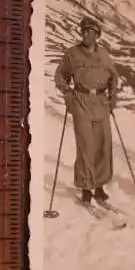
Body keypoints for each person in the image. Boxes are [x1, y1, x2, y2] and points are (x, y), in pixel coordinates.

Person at [54, 16, 118, 206]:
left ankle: (99, 187)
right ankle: (85, 188)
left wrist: (112, 97)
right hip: (81, 101)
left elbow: (113, 77)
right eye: (84, 31)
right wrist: (68, 95)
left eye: (91, 31)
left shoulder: (104, 55)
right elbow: (61, 76)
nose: (86, 34)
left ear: (98, 34)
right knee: (85, 146)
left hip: (100, 103)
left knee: (102, 145)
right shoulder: (72, 53)